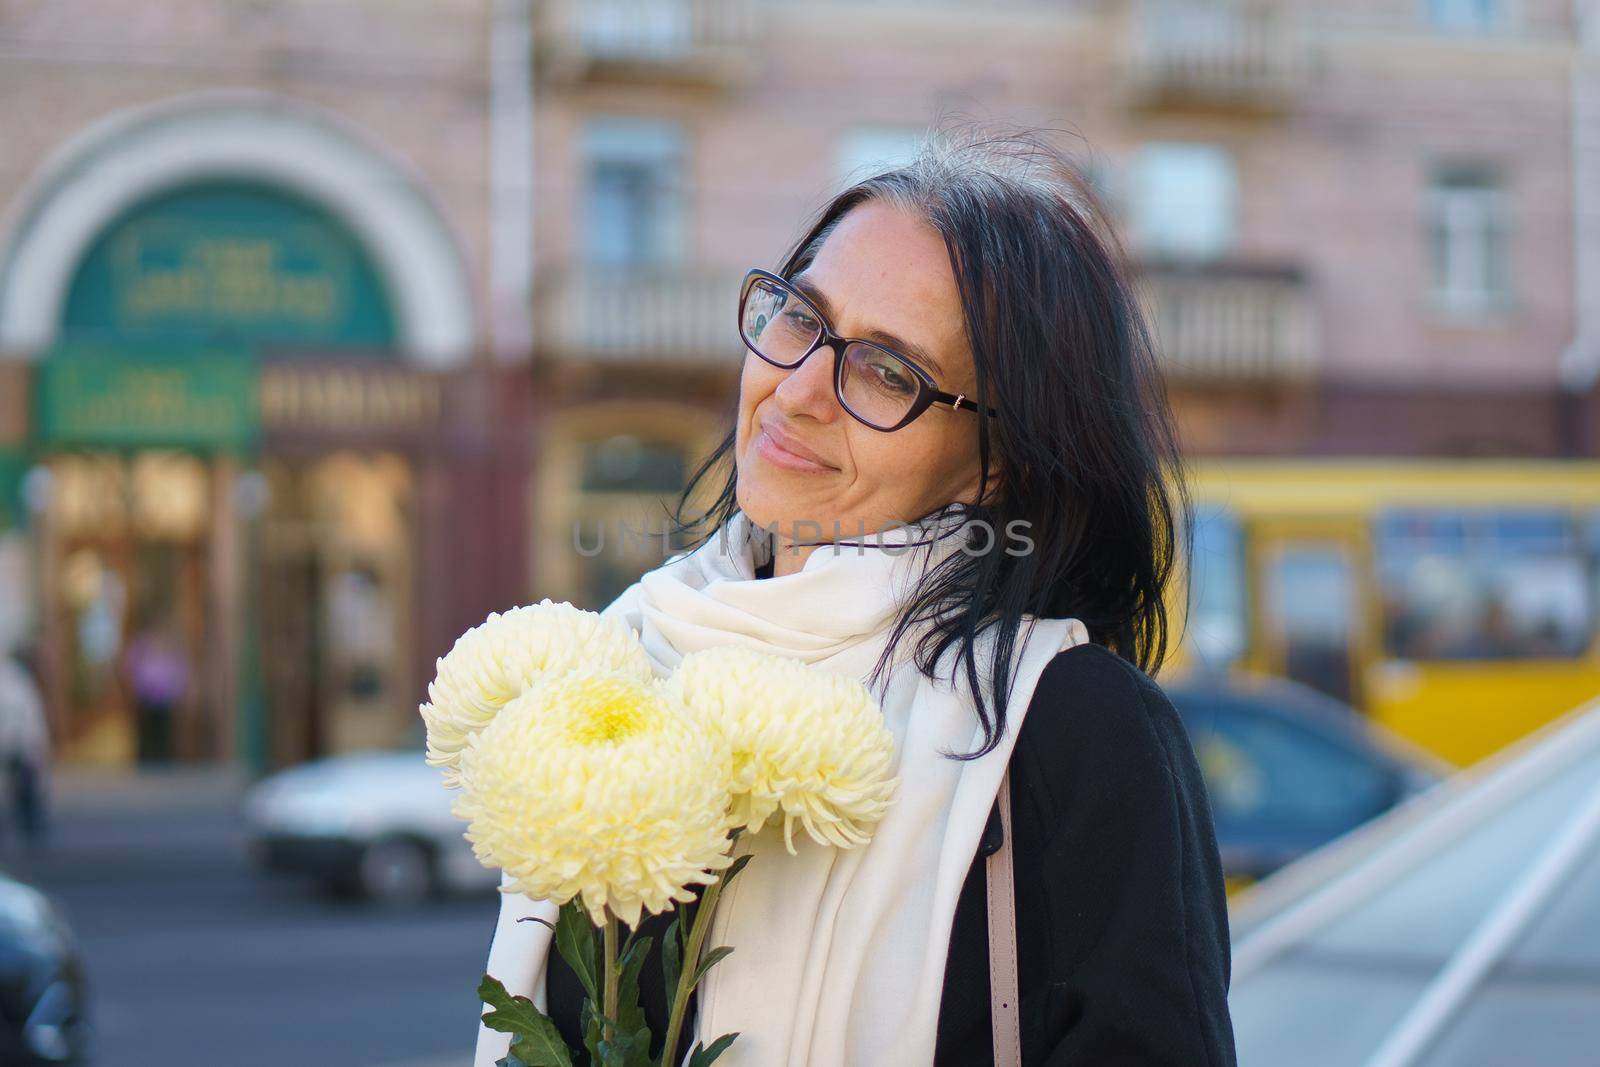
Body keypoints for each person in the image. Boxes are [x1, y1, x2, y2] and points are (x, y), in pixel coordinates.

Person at [474, 130, 1236, 1066]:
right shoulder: (624, 661)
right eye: (801, 316)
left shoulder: (1071, 727)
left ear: (997, 465)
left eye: (886, 371)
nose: (797, 393)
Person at [0, 646, 49, 847]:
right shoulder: (19, 680)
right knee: (22, 784)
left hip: (12, 740)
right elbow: (32, 715)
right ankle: (29, 823)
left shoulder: (14, 678)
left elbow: (30, 715)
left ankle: (29, 823)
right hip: (15, 740)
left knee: (20, 784)